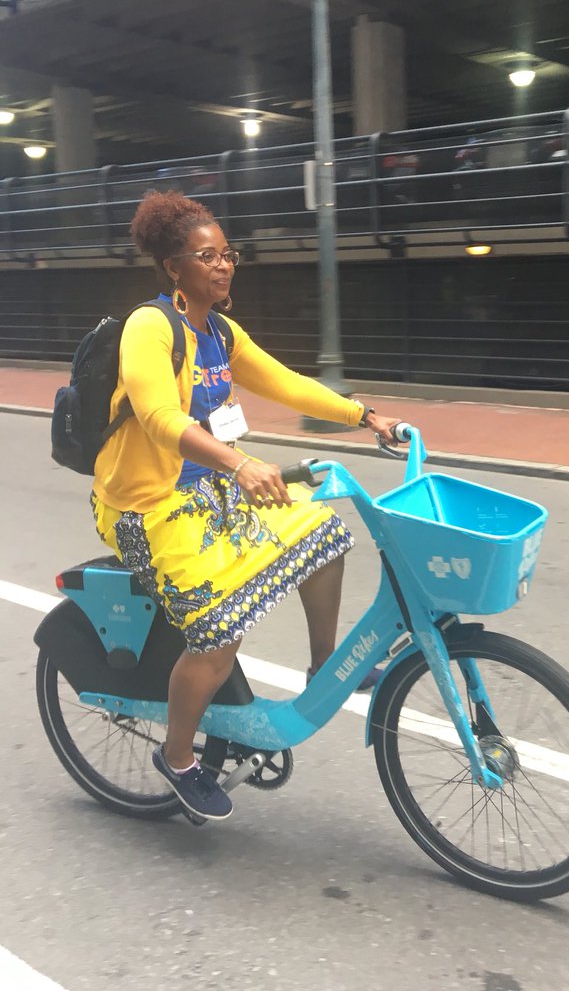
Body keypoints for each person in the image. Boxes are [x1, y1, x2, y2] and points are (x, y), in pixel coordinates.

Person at [91, 189, 403, 822]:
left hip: (206, 490)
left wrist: (364, 415)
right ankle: (177, 761)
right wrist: (238, 462)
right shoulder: (150, 327)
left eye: (227, 253)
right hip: (145, 508)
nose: (223, 265)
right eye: (206, 256)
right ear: (173, 266)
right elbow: (157, 416)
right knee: (218, 636)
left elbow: (285, 380)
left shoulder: (219, 332)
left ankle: (323, 667)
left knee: (321, 531)